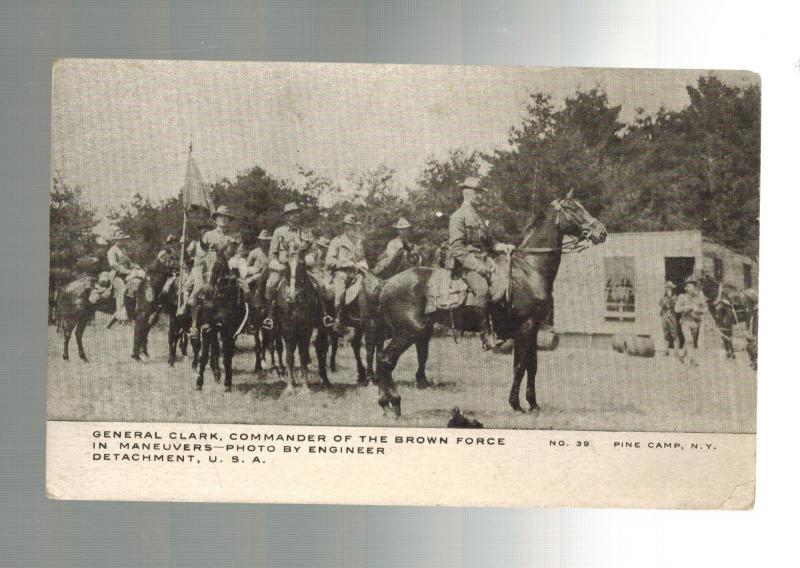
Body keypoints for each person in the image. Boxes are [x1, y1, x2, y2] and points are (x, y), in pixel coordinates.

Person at [447, 177, 514, 349]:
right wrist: (479, 268)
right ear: (467, 193)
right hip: (466, 264)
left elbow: (489, 243)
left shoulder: (478, 218)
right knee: (482, 289)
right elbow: (457, 249)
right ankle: (485, 337)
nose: (480, 196)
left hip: (484, 259)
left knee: (504, 284)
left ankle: (502, 331)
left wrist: (503, 246)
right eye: (477, 193)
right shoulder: (457, 217)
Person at [188, 206, 241, 337]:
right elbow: (201, 253)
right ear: (216, 219)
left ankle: (248, 321)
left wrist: (234, 260)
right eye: (220, 217)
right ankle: (194, 325)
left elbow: (239, 253)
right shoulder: (208, 235)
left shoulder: (235, 236)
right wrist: (204, 263)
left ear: (229, 220)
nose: (223, 219)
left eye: (226, 217)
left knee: (245, 289)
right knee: (197, 290)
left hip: (229, 269)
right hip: (209, 269)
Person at [261, 202, 315, 328]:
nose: (294, 216)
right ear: (286, 217)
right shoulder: (279, 232)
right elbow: (272, 254)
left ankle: (323, 315)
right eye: (291, 214)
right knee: (270, 284)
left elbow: (314, 250)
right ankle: (269, 316)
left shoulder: (307, 232)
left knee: (320, 285)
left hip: (303, 268)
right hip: (283, 269)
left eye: (296, 214)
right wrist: (276, 264)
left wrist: (309, 258)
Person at [326, 213, 369, 332]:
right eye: (348, 226)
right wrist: (346, 263)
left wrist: (364, 264)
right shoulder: (337, 241)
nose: (350, 228)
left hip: (357, 273)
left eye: (353, 226)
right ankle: (338, 318)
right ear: (344, 227)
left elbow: (362, 258)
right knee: (340, 291)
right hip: (342, 273)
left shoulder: (358, 242)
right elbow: (329, 260)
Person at [106, 230, 143, 322]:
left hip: (126, 273)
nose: (122, 241)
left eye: (123, 240)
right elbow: (113, 264)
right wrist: (125, 270)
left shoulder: (123, 250)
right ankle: (120, 314)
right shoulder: (111, 251)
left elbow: (129, 263)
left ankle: (134, 310)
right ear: (115, 240)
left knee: (137, 283)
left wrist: (135, 266)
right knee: (122, 288)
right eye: (120, 239)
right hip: (116, 274)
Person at [675, 277, 706, 366]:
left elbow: (705, 308)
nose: (691, 288)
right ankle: (692, 360)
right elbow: (676, 309)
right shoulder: (682, 297)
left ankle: (681, 356)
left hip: (695, 323)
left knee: (689, 342)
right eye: (688, 286)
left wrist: (699, 310)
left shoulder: (699, 297)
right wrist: (686, 308)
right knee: (689, 340)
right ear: (686, 288)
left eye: (692, 286)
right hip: (685, 322)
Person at [659, 281, 682, 357]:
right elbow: (661, 303)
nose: (667, 288)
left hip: (672, 316)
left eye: (668, 287)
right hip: (664, 315)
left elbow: (675, 304)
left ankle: (676, 352)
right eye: (666, 287)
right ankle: (666, 351)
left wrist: (668, 304)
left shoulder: (675, 296)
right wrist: (666, 305)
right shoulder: (663, 296)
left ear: (671, 288)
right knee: (666, 333)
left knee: (674, 333)